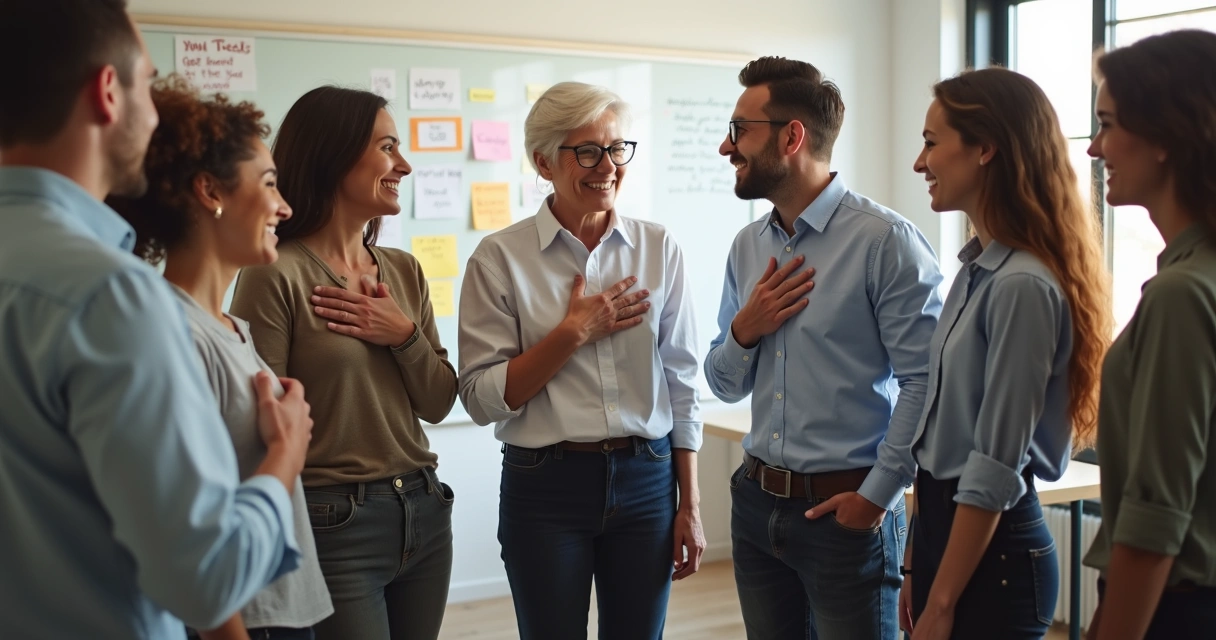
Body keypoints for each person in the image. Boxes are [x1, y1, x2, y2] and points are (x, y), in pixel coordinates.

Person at [0, 2, 313, 638]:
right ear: (108, 93)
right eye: (147, 81)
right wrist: (285, 455)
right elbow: (207, 581)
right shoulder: (111, 294)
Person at [457, 81, 706, 640]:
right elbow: (479, 399)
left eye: (617, 148)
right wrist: (572, 333)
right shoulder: (498, 258)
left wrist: (690, 504)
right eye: (587, 151)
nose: (608, 165)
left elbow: (682, 382)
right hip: (545, 486)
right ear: (543, 162)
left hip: (648, 478)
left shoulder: (658, 247)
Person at [705, 56, 942, 639]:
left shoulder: (885, 242)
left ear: (792, 136)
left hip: (847, 516)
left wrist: (875, 499)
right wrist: (745, 329)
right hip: (756, 507)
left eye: (740, 130)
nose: (725, 147)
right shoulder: (746, 246)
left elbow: (925, 384)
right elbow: (723, 382)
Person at [108, 76, 334, 640]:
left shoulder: (231, 327)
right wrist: (288, 446)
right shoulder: (175, 330)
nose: (283, 207)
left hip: (284, 607)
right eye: (268, 184)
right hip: (244, 619)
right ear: (211, 191)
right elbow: (187, 534)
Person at [231, 86, 458, 640]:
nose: (403, 164)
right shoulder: (275, 273)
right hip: (333, 522)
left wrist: (402, 335)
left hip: (424, 510)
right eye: (387, 148)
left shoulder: (403, 270)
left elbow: (438, 401)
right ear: (334, 155)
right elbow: (255, 425)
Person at [902, 68, 1111, 640]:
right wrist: (917, 567)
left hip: (992, 564)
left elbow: (993, 465)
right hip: (949, 545)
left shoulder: (1022, 285)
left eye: (930, 143)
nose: (920, 164)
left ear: (986, 149)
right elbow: (936, 440)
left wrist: (942, 602)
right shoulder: (976, 271)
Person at [1083, 29, 1216, 640]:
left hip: (1175, 608)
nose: (1094, 148)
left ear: (1165, 136)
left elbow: (1155, 517)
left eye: (1107, 124)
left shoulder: (1182, 295)